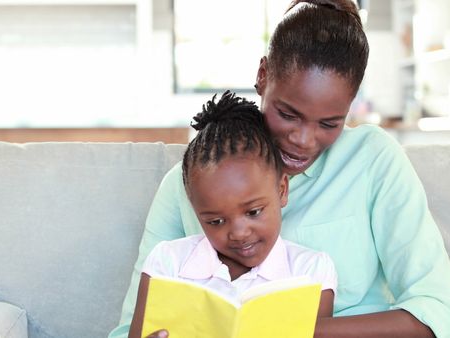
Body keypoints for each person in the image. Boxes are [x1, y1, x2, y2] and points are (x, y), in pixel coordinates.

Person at [110, 0, 450, 337]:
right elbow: (131, 328)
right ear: (263, 76)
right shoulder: (188, 184)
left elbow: (437, 313)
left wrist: (289, 330)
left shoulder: (375, 160)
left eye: (329, 123)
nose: (303, 140)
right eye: (288, 114)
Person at [128, 91, 337, 338]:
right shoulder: (168, 262)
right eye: (216, 221)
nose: (239, 233)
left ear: (282, 190)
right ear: (195, 211)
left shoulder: (311, 271)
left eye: (253, 212)